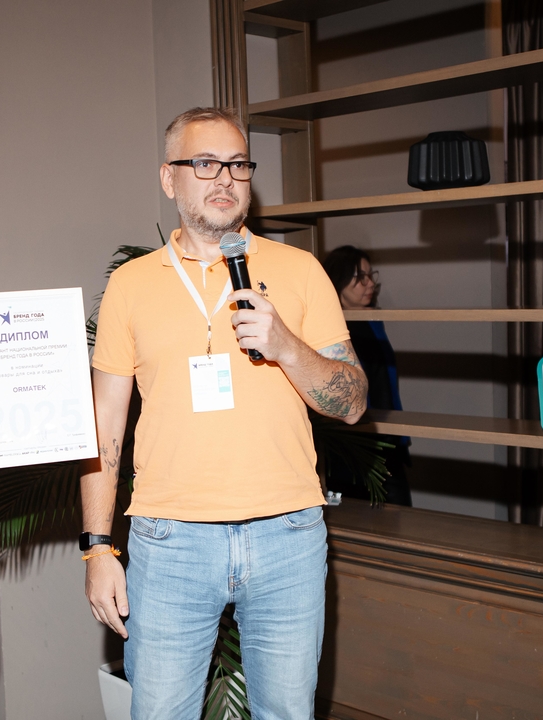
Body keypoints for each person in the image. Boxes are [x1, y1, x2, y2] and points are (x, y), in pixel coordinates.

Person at [80, 107, 368, 719]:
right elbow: (103, 429)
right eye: (205, 163)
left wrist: (287, 346)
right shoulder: (131, 284)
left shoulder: (299, 271)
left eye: (238, 164)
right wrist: (97, 549)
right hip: (170, 541)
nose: (225, 179)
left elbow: (352, 402)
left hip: (288, 536)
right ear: (169, 178)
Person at [321, 245, 413, 505]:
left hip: (385, 437)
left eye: (370, 275)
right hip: (356, 446)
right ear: (337, 283)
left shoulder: (372, 321)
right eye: (360, 277)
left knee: (399, 515)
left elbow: (384, 384)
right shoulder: (333, 331)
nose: (370, 283)